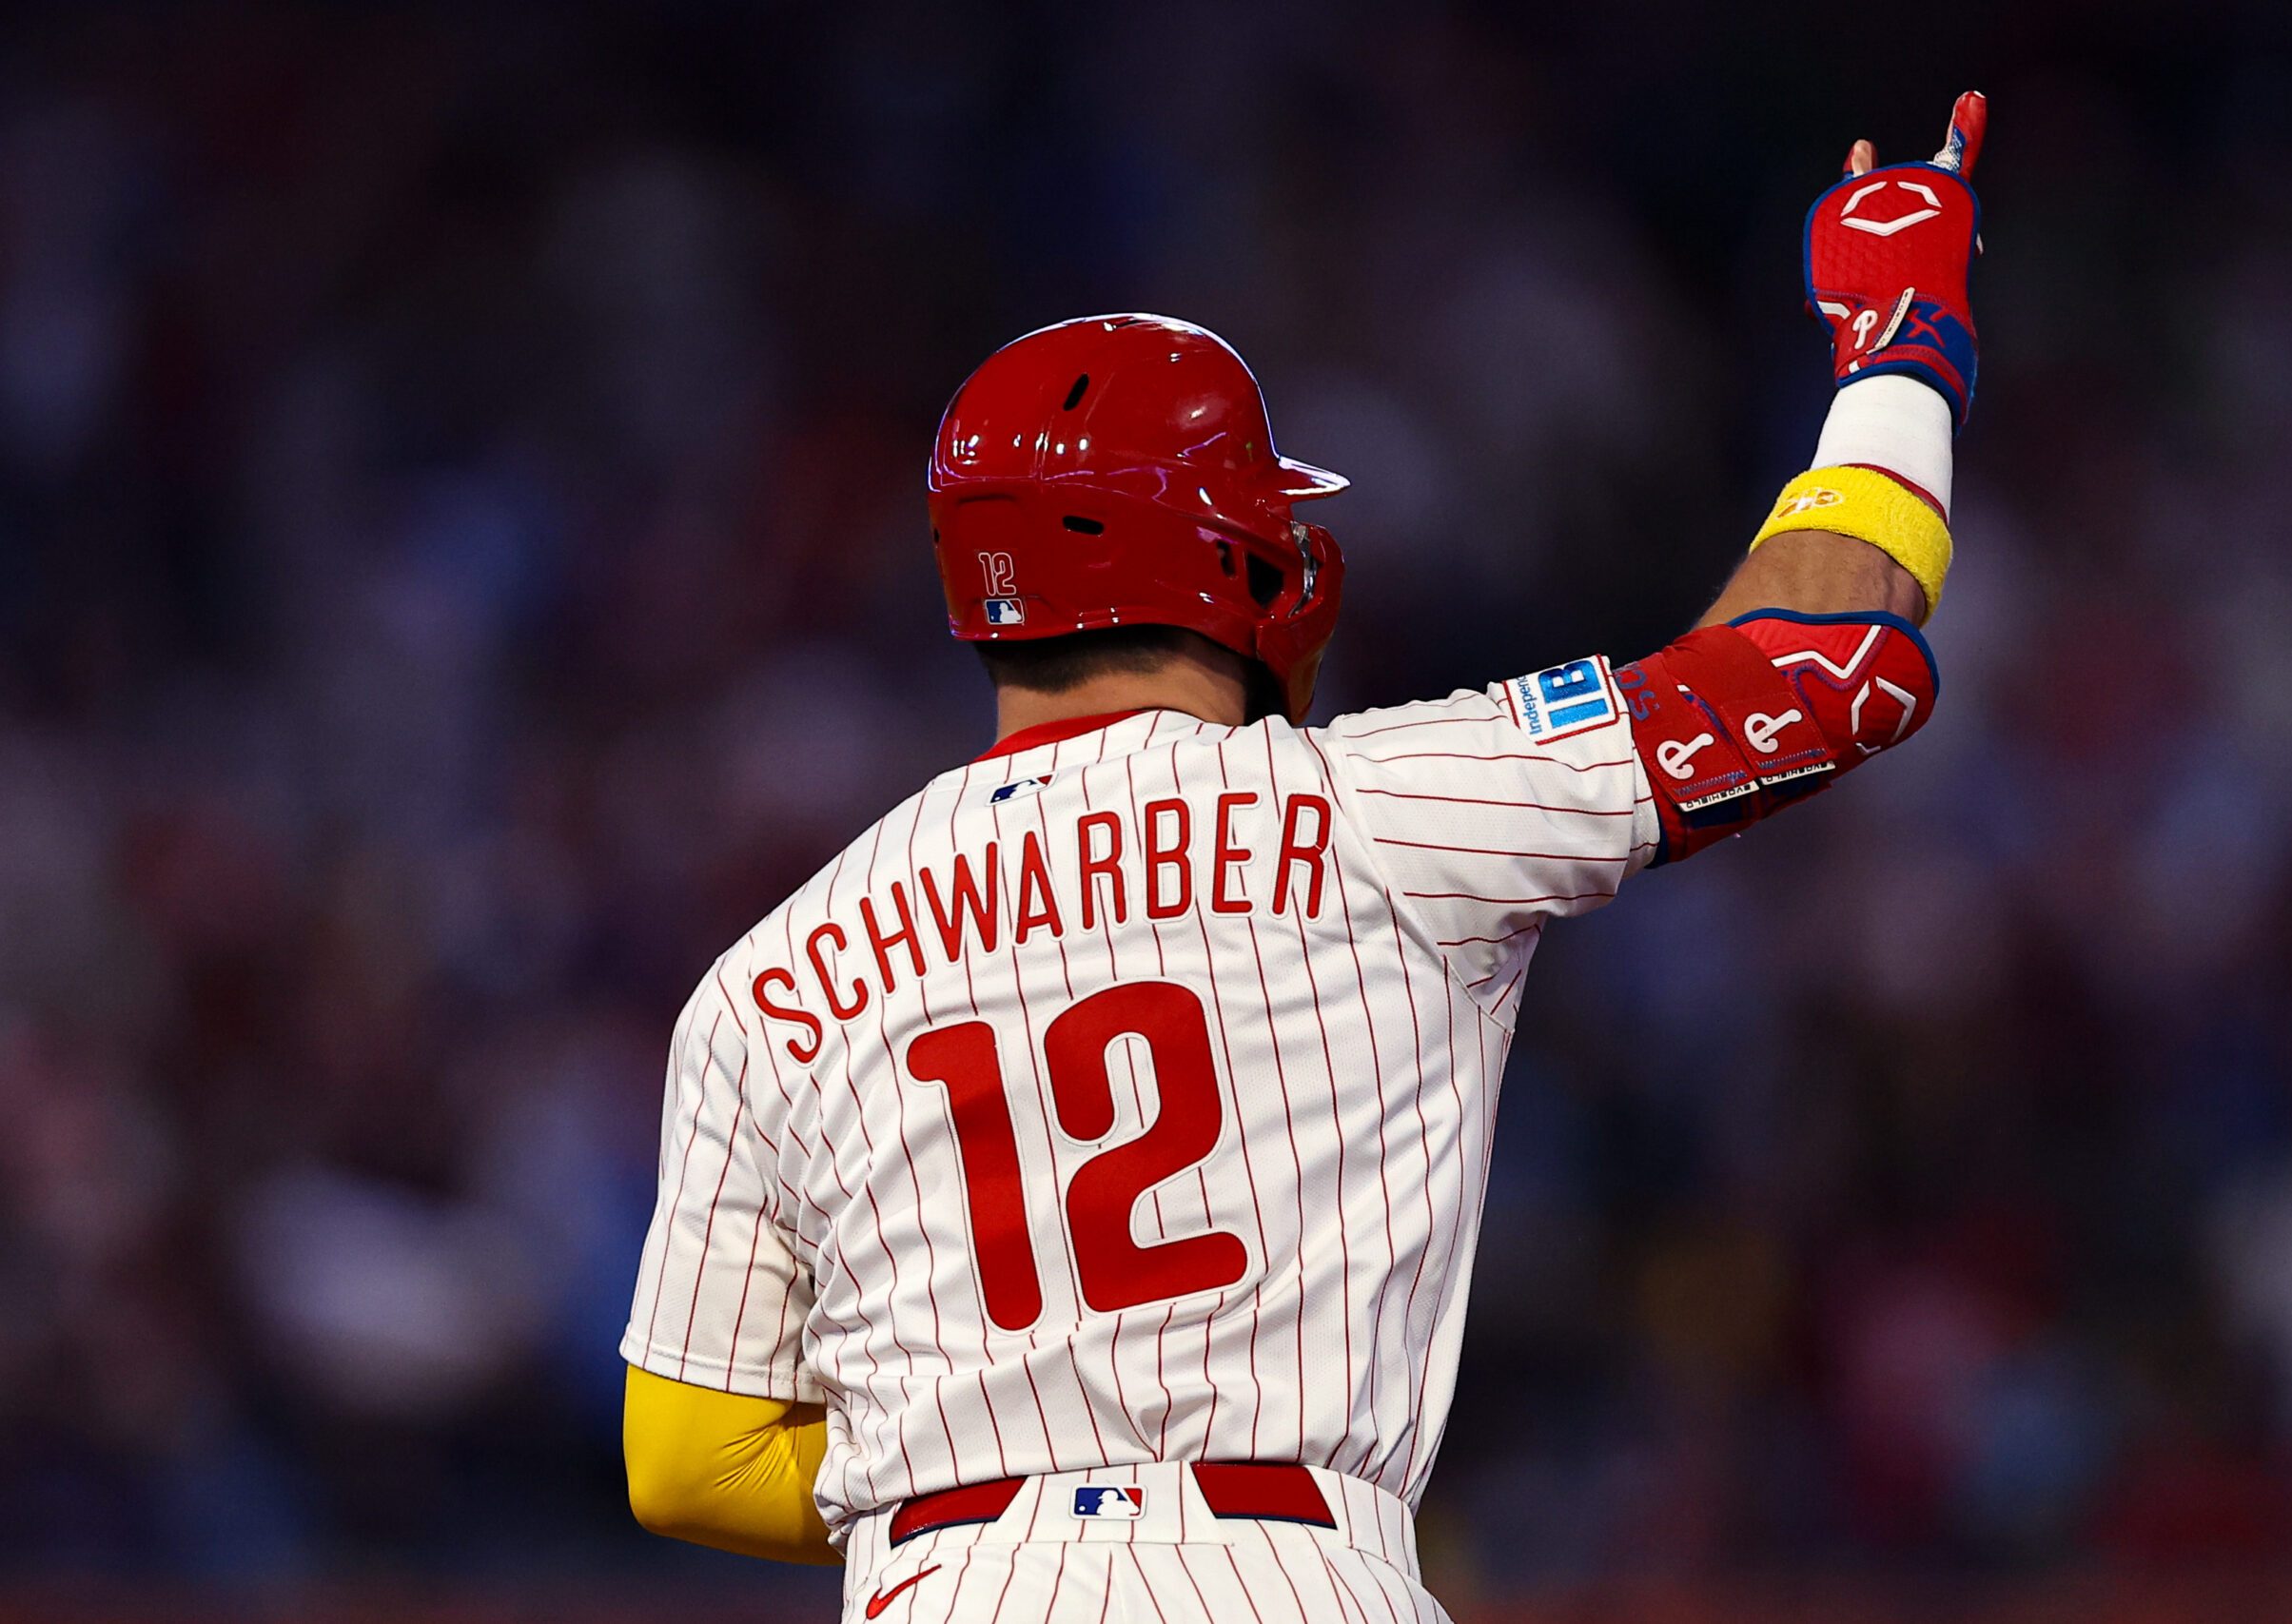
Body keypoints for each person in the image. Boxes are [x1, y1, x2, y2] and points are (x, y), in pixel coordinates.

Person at [619, 92, 1988, 1621]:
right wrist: (1899, 351)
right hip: (1278, 1571)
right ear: (1246, 561)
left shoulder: (766, 981)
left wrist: (976, 1485)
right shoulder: (1383, 808)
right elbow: (1828, 661)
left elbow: (685, 1461)